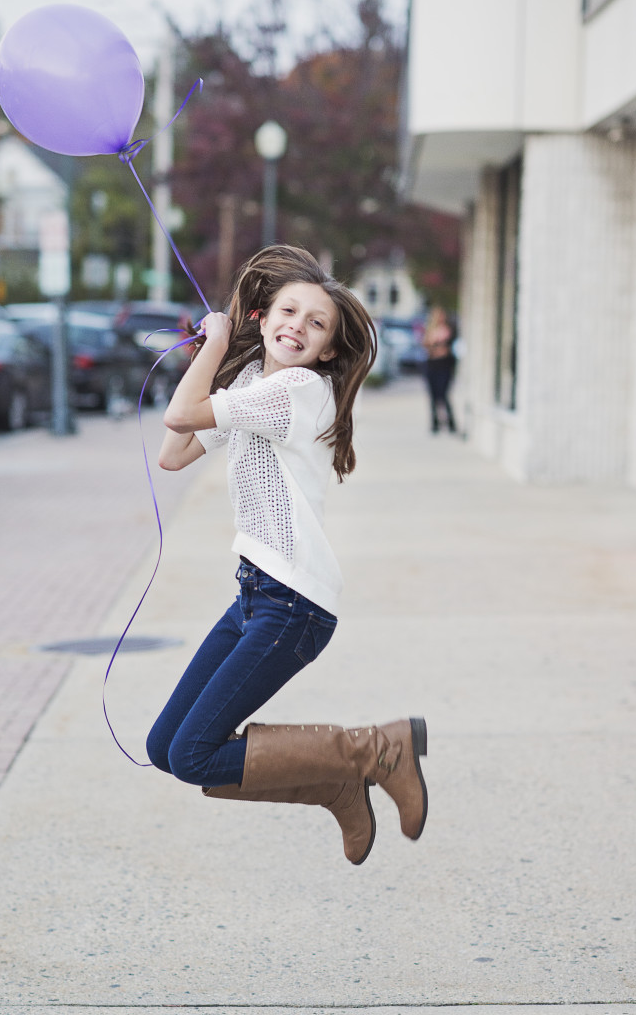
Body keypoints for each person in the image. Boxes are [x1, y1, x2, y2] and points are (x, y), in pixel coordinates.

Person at [146, 245, 428, 866]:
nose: (297, 325)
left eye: (316, 322)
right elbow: (175, 452)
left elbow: (179, 411)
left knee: (195, 753)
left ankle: (373, 750)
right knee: (167, 746)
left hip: (292, 602)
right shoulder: (255, 386)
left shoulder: (300, 389)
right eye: (288, 310)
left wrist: (213, 346)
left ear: (328, 348)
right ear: (262, 316)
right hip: (254, 594)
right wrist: (210, 359)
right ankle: (335, 784)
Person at [423, 305, 457, 433]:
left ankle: (451, 423)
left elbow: (445, 350)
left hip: (444, 366)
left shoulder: (449, 330)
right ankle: (435, 423)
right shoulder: (430, 330)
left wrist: (436, 347)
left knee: (443, 394)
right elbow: (427, 347)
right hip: (432, 365)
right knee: (432, 395)